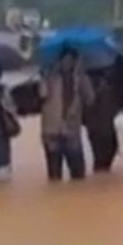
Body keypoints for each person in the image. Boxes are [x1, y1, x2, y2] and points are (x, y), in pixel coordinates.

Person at [39, 48, 95, 182]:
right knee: (54, 176)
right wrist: (44, 78)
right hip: (51, 131)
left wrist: (82, 79)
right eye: (64, 60)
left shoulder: (80, 78)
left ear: (75, 62)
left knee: (78, 175)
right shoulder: (50, 77)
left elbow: (90, 99)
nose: (67, 63)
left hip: (71, 129)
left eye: (70, 60)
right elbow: (42, 94)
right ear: (59, 61)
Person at [83, 66, 121, 174]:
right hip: (98, 126)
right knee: (102, 152)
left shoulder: (109, 86)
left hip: (101, 125)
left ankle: (102, 172)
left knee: (107, 150)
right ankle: (102, 172)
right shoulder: (91, 86)